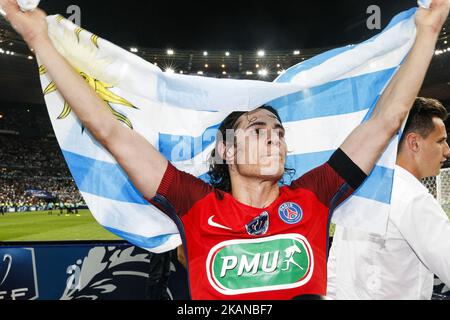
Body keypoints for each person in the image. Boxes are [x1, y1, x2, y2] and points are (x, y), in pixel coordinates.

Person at [1, 0, 448, 299]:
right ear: (227, 151)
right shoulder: (192, 204)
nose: (275, 135)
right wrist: (38, 38)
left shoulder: (314, 196)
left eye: (279, 129)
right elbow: (108, 130)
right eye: (258, 128)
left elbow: (386, 121)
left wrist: (427, 30)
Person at [327, 97, 450, 300]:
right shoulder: (413, 198)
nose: (447, 151)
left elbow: (335, 272)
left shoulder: (361, 190)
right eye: (440, 141)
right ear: (414, 143)